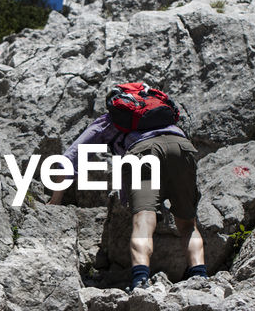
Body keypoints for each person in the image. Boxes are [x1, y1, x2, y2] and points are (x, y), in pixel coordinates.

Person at [47, 84, 208, 292]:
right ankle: (200, 276)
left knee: (144, 218)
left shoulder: (108, 122)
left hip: (144, 151)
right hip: (181, 146)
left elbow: (72, 157)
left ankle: (140, 279)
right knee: (187, 224)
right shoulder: (160, 112)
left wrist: (56, 199)